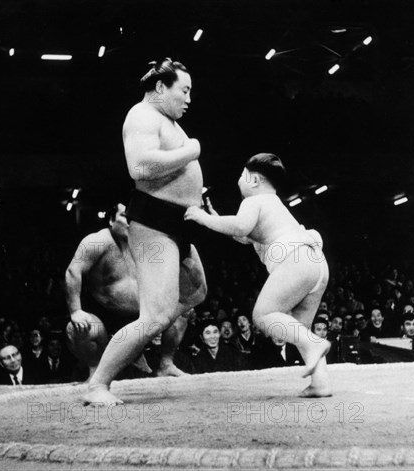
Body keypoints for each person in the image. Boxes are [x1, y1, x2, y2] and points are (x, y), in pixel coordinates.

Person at [83, 58, 207, 405]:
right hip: (154, 223)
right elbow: (139, 165)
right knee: (155, 316)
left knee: (196, 291)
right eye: (184, 90)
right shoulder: (141, 116)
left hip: (177, 222)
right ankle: (98, 384)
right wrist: (191, 150)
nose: (188, 99)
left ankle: (163, 361)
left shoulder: (165, 121)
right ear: (159, 88)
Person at [185, 153, 332, 397]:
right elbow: (243, 236)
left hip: (295, 260)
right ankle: (320, 383)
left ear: (254, 180)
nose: (239, 182)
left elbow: (240, 227)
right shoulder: (273, 204)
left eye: (242, 177)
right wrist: (214, 219)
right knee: (299, 328)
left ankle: (315, 345)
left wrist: (201, 218)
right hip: (316, 263)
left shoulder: (253, 202)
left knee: (263, 315)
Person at [66, 203, 187, 381]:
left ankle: (166, 364)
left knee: (183, 309)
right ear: (110, 220)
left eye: (135, 218)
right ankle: (95, 371)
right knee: (78, 328)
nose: (131, 223)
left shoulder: (147, 243)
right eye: (125, 217)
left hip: (143, 316)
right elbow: (73, 271)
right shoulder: (97, 241)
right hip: (105, 318)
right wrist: (76, 310)